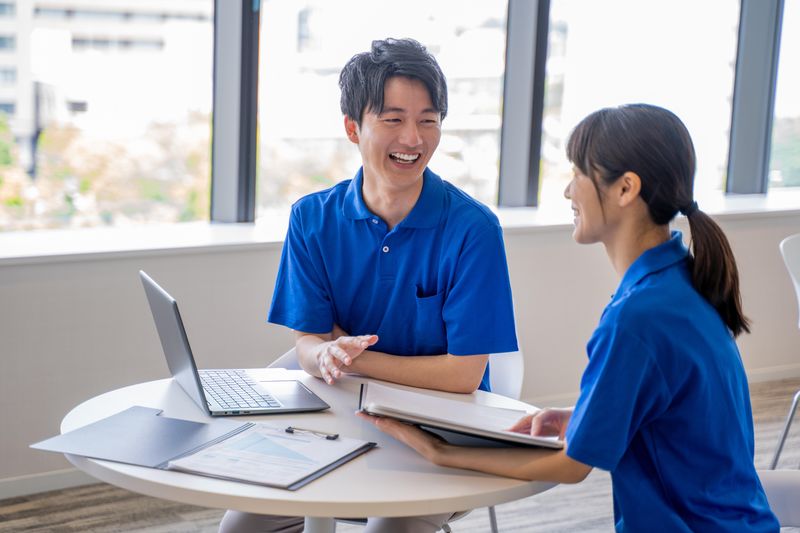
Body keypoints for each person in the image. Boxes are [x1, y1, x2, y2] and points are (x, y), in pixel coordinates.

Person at [360, 104, 780, 532]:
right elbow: (672, 405)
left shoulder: (638, 316)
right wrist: (584, 412)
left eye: (578, 173)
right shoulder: (680, 281)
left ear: (625, 188)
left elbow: (572, 465)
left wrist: (439, 453)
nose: (567, 192)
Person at [218, 38, 518, 533]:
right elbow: (309, 343)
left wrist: (349, 357)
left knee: (389, 527)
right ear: (353, 128)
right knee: (239, 527)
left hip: (441, 427)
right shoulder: (312, 219)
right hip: (336, 417)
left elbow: (463, 376)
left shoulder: (473, 230)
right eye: (394, 119)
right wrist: (325, 353)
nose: (414, 138)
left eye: (428, 119)